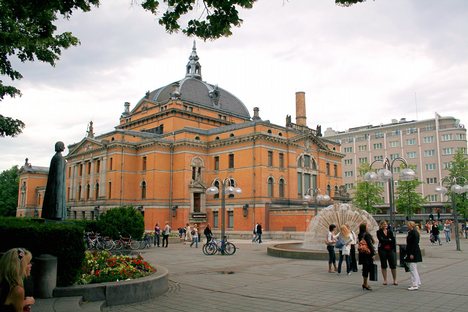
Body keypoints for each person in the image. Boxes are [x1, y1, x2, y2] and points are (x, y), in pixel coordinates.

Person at [41, 141, 67, 220]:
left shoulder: (55, 157)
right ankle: (57, 214)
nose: (64, 148)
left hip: (54, 185)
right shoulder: (59, 158)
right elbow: (59, 174)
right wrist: (60, 187)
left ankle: (53, 214)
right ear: (60, 147)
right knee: (57, 200)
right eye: (63, 146)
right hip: (58, 185)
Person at [376, 220, 397, 285]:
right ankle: (385, 280)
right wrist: (388, 240)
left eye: (386, 224)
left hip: (390, 249)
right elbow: (381, 240)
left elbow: (393, 240)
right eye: (384, 224)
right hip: (382, 250)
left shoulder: (390, 231)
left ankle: (395, 280)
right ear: (381, 225)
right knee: (384, 265)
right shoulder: (378, 232)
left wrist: (387, 240)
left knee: (393, 265)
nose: (385, 225)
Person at [358, 222, 375, 291]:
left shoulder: (360, 235)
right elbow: (370, 245)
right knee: (366, 269)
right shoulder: (367, 235)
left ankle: (365, 283)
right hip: (367, 254)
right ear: (365, 228)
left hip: (362, 253)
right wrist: (373, 254)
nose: (368, 227)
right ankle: (365, 284)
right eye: (367, 226)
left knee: (365, 268)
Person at [406, 221, 422, 291]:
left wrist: (412, 253)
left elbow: (414, 244)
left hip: (413, 252)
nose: (407, 226)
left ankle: (414, 284)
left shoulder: (413, 233)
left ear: (411, 226)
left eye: (408, 225)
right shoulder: (413, 232)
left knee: (412, 269)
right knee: (414, 268)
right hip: (414, 251)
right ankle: (417, 282)